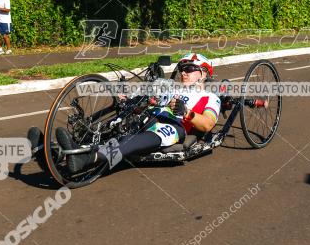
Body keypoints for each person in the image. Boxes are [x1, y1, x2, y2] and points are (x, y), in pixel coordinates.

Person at [27, 53, 221, 175]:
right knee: (111, 127)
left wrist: (187, 113)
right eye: (181, 69)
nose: (183, 73)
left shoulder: (209, 97)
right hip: (150, 115)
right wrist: (133, 100)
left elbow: (207, 124)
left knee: (128, 142)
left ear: (203, 74)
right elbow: (146, 99)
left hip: (172, 127)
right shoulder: (171, 86)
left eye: (189, 69)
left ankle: (85, 161)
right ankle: (52, 152)